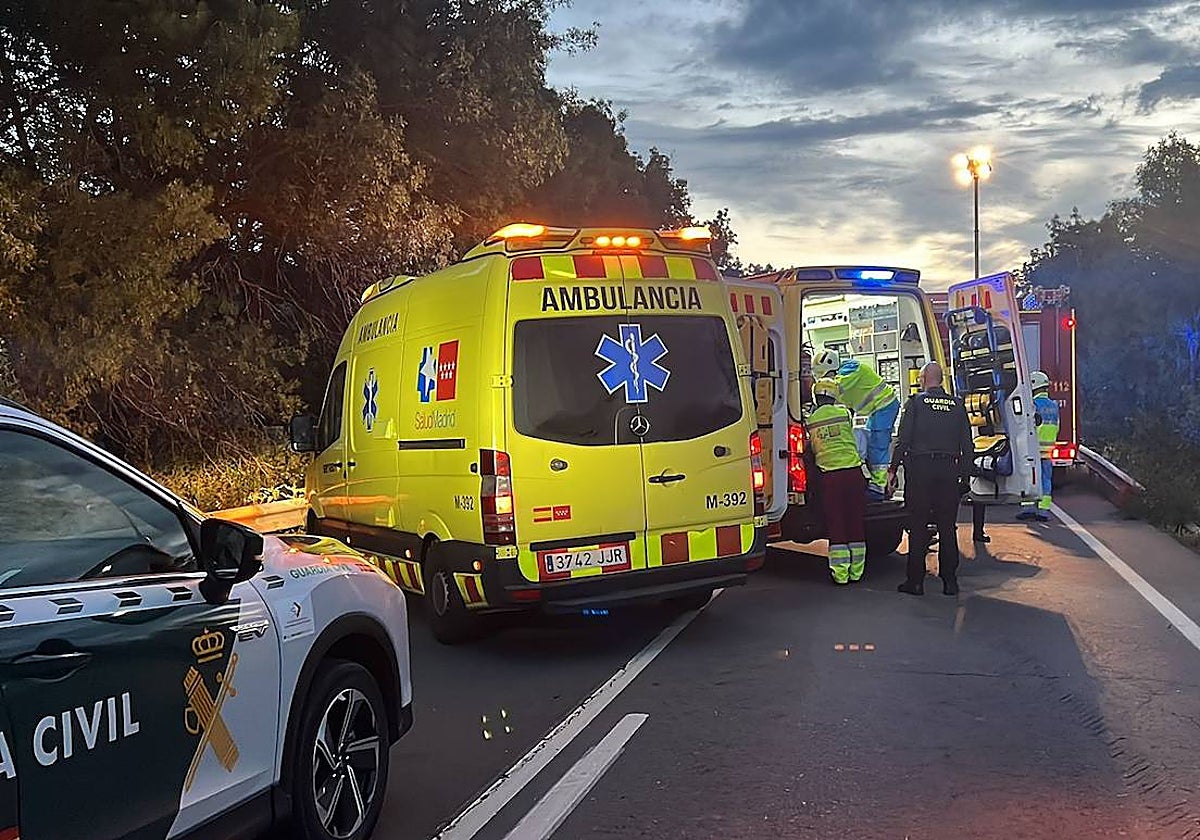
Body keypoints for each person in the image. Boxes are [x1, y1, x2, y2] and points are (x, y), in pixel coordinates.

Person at [888, 362, 974, 596]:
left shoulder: (915, 403)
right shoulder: (957, 405)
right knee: (947, 527)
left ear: (923, 378)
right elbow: (967, 445)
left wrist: (892, 469)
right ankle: (950, 581)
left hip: (921, 472)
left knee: (918, 526)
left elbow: (903, 440)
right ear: (941, 380)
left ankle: (915, 582)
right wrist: (964, 478)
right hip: (948, 471)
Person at [811, 348, 899, 500]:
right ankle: (879, 483)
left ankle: (878, 488)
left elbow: (831, 388)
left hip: (884, 406)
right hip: (877, 409)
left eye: (826, 376)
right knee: (872, 445)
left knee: (877, 446)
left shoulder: (849, 372)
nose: (826, 379)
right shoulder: (847, 371)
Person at [807, 378, 867, 585]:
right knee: (855, 522)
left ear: (816, 397)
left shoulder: (811, 420)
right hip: (853, 474)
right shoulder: (844, 414)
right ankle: (857, 572)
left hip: (831, 477)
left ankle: (840, 574)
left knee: (836, 524)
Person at [1018, 369, 1059, 522]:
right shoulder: (1054, 405)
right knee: (1045, 481)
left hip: (1033, 449)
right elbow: (1057, 427)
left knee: (1029, 479)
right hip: (1048, 450)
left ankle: (1028, 508)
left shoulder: (1032, 404)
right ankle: (1043, 511)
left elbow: (1025, 426)